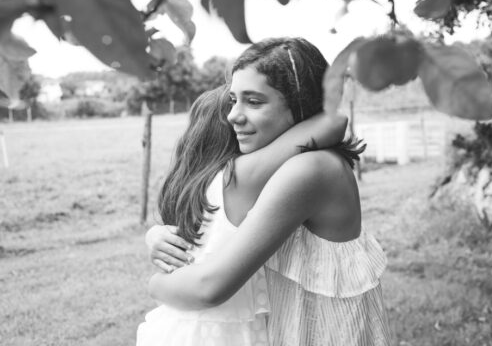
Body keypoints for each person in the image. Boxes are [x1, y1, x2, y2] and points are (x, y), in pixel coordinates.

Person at [146, 37, 391, 345]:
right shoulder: (293, 165)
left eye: (254, 101)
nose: (232, 115)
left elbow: (210, 286)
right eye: (233, 100)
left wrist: (155, 284)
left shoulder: (311, 168)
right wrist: (156, 235)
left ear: (301, 104)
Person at [137, 82, 348, 345]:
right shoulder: (241, 176)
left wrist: (153, 240)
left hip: (176, 326)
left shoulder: (190, 186)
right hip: (224, 334)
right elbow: (334, 121)